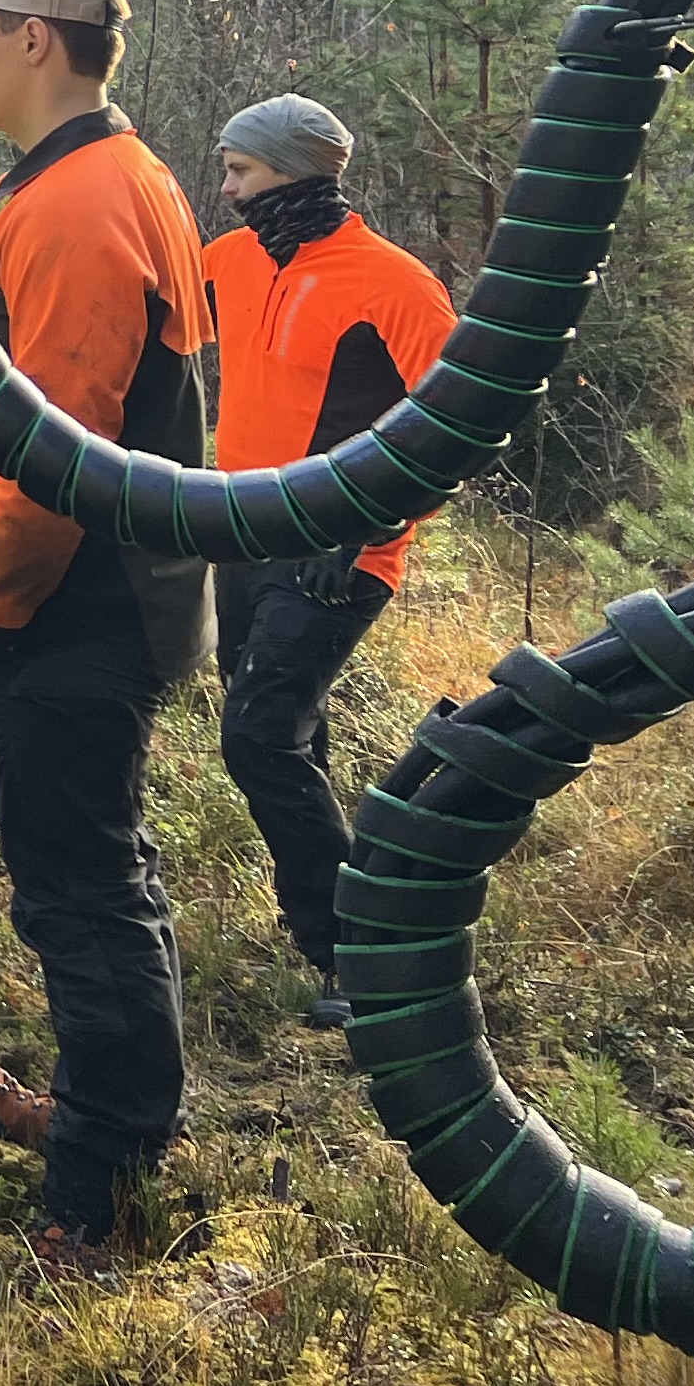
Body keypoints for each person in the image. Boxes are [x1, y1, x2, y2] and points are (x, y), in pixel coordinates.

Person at [0, 0, 212, 1268]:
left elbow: (56, 449)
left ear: (40, 38)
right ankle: (110, 1121)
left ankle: (94, 1212)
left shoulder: (84, 204)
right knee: (98, 878)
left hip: (67, 613)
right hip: (94, 608)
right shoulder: (97, 181)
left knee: (81, 894)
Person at [200, 92, 454, 1024]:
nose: (227, 191)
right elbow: (153, 327)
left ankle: (356, 957)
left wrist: (368, 536)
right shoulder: (226, 263)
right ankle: (341, 920)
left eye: (243, 173)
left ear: (299, 173)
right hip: (244, 539)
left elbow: (451, 434)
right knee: (290, 732)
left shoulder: (395, 283)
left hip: (343, 554)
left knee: (258, 736)